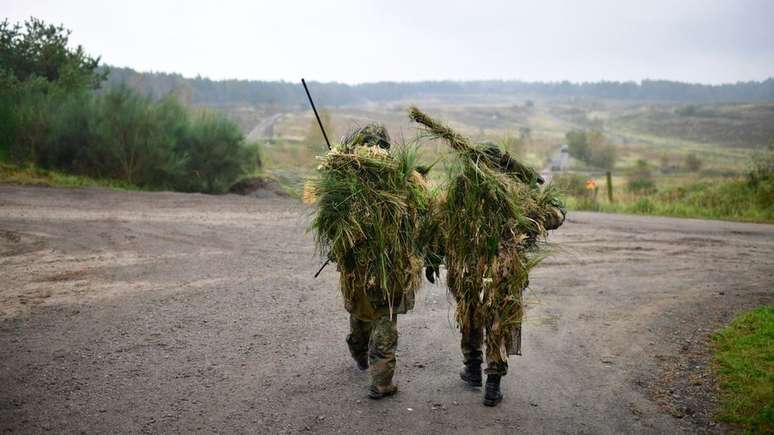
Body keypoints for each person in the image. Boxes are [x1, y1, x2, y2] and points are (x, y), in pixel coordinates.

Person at [409, 107, 565, 407]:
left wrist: (432, 257)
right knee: (498, 321)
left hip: (466, 269)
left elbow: (440, 227)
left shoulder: (459, 190)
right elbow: (550, 217)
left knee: (470, 316)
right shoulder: (515, 195)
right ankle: (493, 380)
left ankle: (472, 368)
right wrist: (555, 206)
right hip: (503, 270)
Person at [309, 124, 429, 400]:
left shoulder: (342, 172)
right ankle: (381, 382)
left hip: (355, 264)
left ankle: (358, 350)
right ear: (386, 145)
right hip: (389, 265)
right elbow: (420, 212)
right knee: (384, 318)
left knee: (359, 311)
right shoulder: (403, 176)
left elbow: (329, 218)